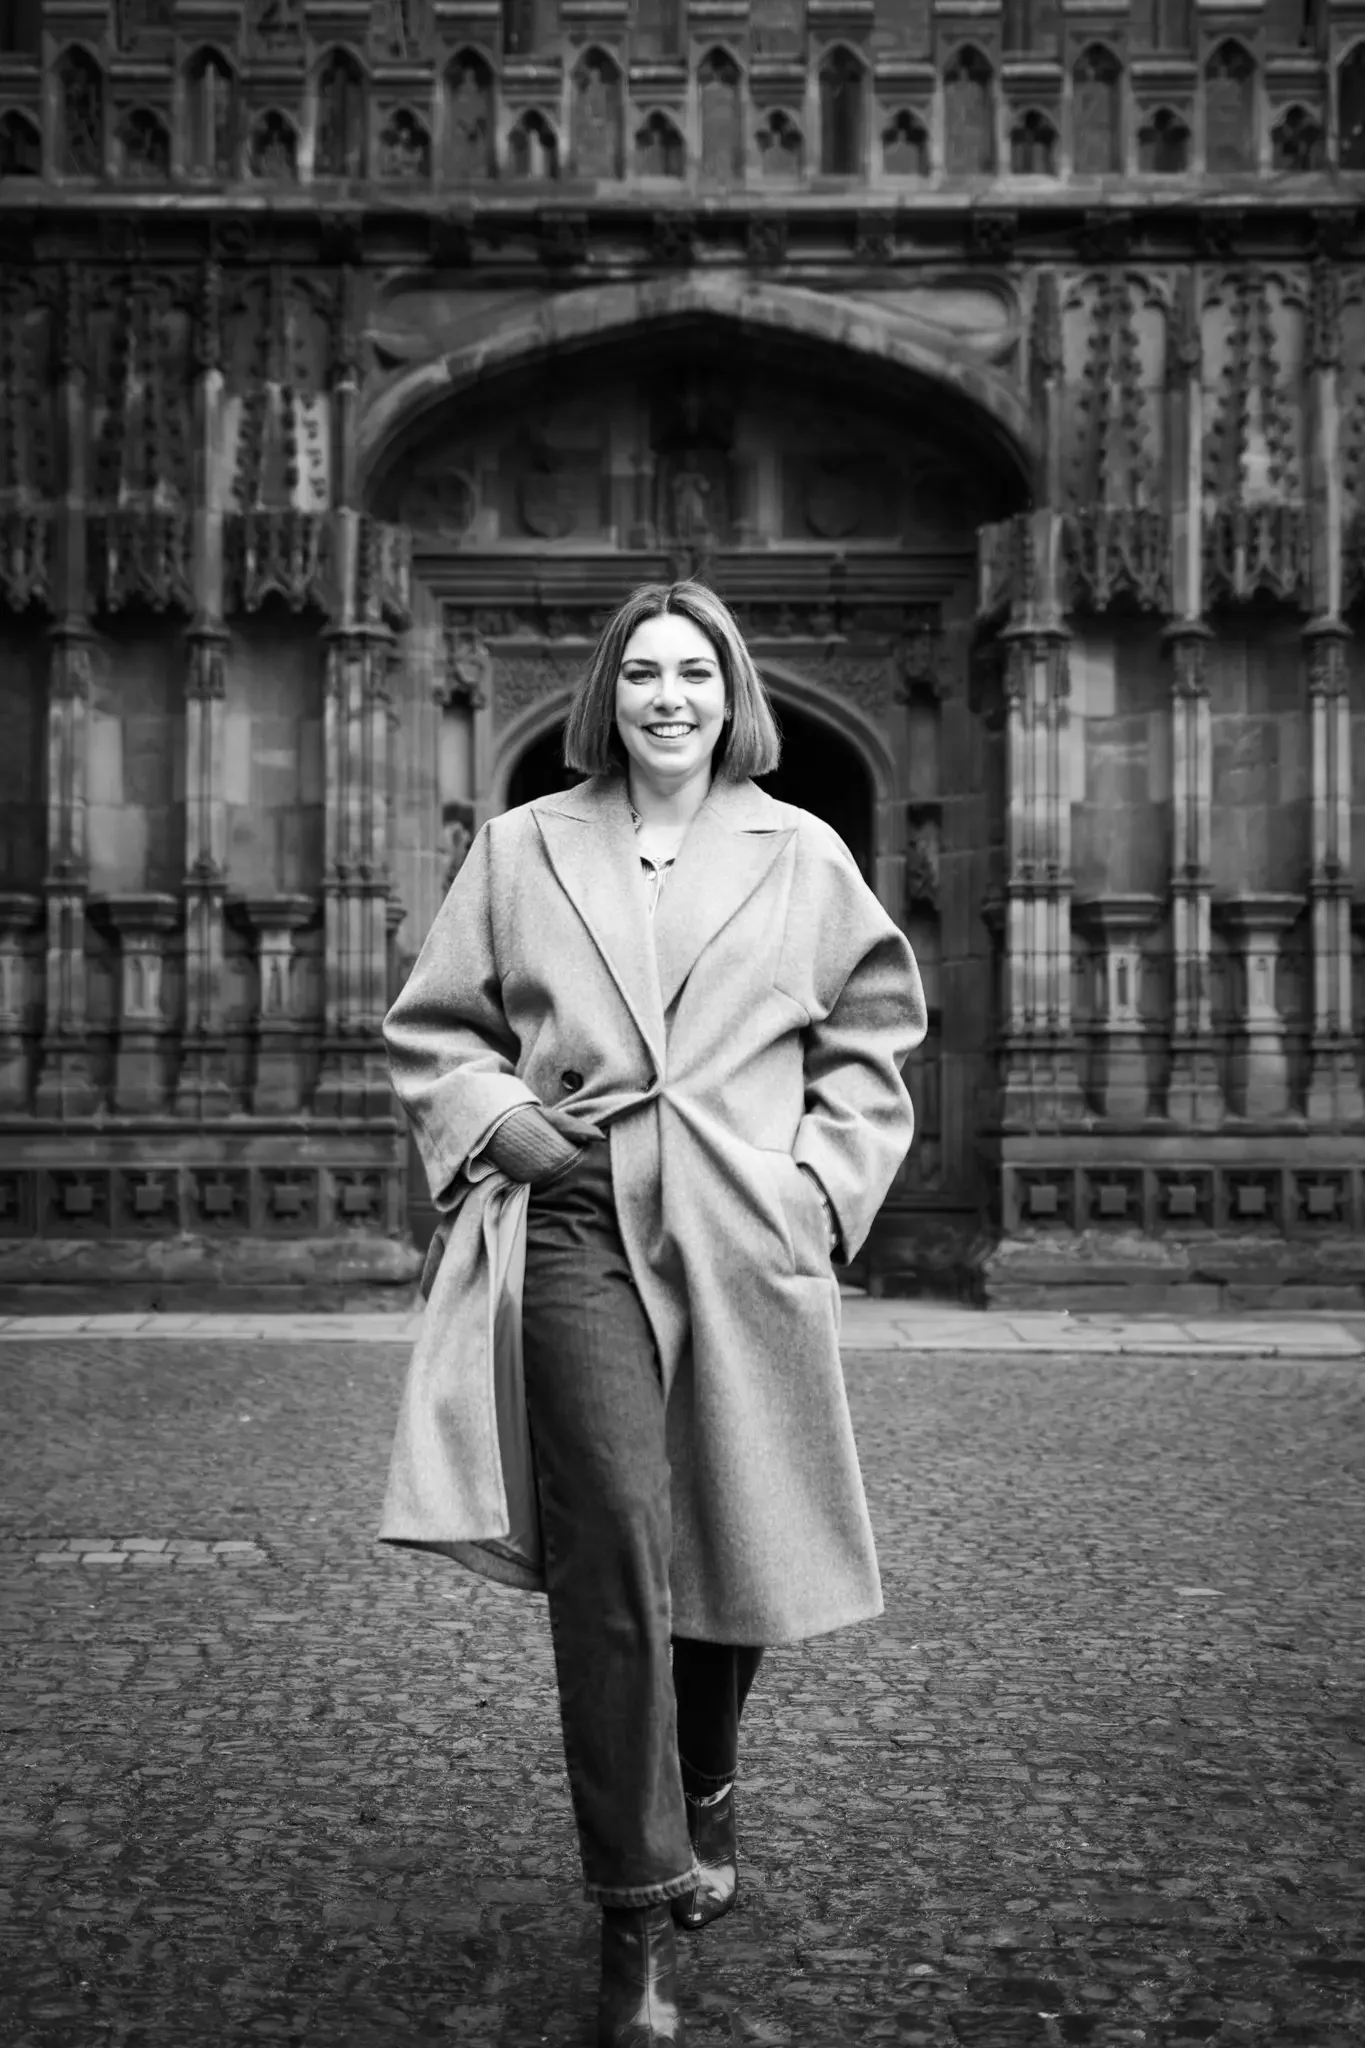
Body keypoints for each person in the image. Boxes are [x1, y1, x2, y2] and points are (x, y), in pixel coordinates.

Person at [379, 580, 927, 2047]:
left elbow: (874, 1038)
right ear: (606, 697)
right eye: (642, 674)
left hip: (743, 1228)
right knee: (616, 1532)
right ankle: (634, 1911)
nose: (668, 697)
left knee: (725, 1524)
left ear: (733, 691)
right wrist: (504, 1124)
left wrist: (818, 1192)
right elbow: (438, 1026)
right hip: (574, 1218)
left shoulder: (802, 852)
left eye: (694, 672)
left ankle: (711, 1766)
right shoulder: (522, 845)